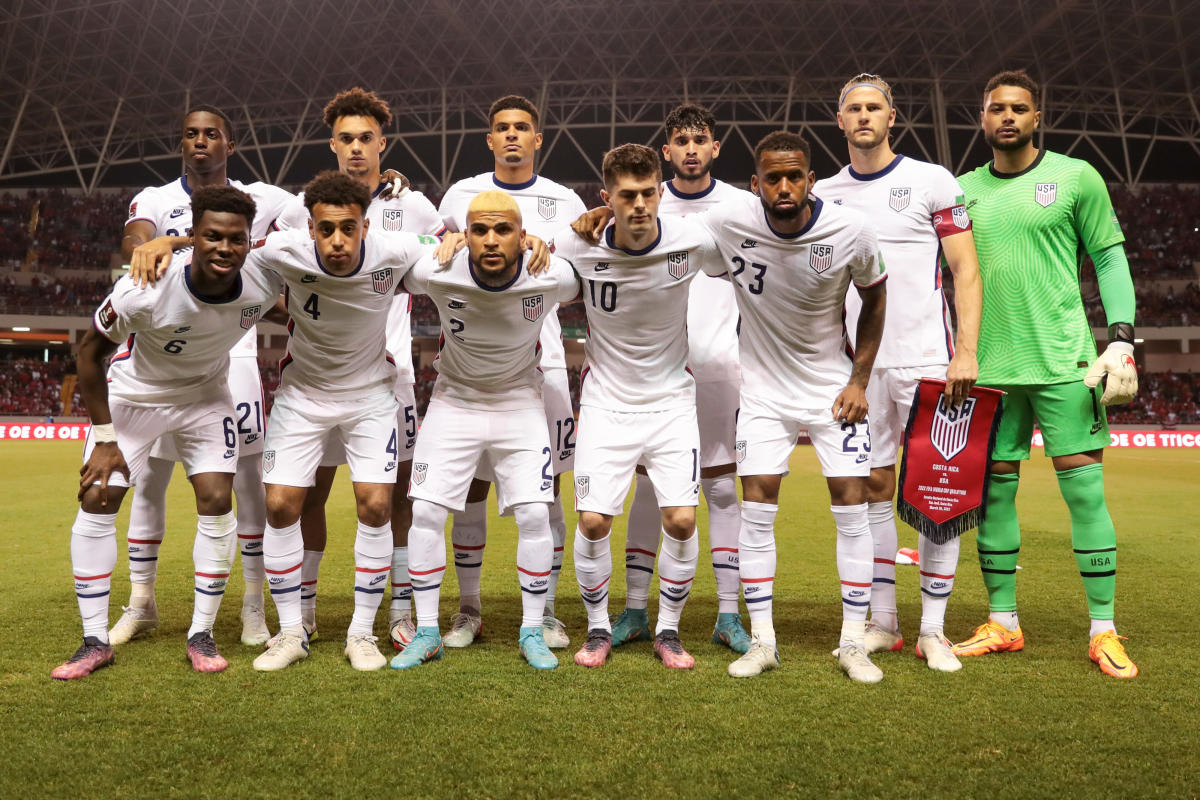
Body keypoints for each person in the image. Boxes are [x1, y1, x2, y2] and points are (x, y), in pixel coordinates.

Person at [951, 70, 1140, 678]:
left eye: (1019, 108)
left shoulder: (1075, 176)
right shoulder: (960, 192)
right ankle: (1003, 622)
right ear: (982, 118)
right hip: (991, 370)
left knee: (1085, 491)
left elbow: (1108, 255)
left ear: (1038, 117)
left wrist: (1122, 339)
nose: (1007, 116)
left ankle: (1103, 631)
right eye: (995, 107)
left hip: (1065, 363)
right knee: (994, 493)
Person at [53, 186, 284, 679]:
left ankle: (201, 633)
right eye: (212, 237)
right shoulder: (145, 288)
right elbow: (88, 355)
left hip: (205, 398)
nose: (225, 248)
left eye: (237, 239)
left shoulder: (262, 284)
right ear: (193, 237)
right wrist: (107, 438)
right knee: (98, 494)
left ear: (250, 242)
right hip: (135, 399)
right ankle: (94, 640)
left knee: (217, 498)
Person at [697, 131, 889, 682]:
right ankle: (763, 642)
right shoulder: (730, 223)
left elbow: (876, 296)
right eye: (772, 178)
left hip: (834, 390)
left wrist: (859, 379)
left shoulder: (850, 229)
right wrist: (599, 216)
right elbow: (663, 230)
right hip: (762, 394)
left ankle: (853, 642)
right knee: (755, 511)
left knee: (851, 506)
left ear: (810, 178)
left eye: (795, 176)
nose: (784, 186)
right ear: (755, 184)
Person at [814, 74, 982, 672]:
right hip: (860, 369)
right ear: (840, 121)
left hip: (929, 360)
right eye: (853, 109)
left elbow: (964, 270)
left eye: (874, 108)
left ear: (893, 117)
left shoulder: (932, 180)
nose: (863, 117)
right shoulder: (824, 194)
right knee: (874, 489)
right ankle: (883, 622)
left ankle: (932, 630)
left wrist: (966, 351)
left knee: (940, 492)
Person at [111, 105, 294, 648]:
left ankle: (253, 606)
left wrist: (390, 185)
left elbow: (328, 211)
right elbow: (136, 244)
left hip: (231, 356)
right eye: (190, 134)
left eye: (211, 134)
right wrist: (162, 241)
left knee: (247, 485)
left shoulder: (262, 199)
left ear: (228, 144)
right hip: (161, 354)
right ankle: (141, 602)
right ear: (182, 143)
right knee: (149, 482)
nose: (199, 142)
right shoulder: (156, 198)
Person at [274, 88, 445, 652]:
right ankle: (305, 610)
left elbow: (445, 260)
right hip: (319, 375)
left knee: (393, 499)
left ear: (382, 144)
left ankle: (396, 612)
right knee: (311, 492)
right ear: (332, 144)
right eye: (345, 138)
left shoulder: (414, 206)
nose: (355, 147)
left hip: (388, 375)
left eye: (365, 138)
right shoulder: (308, 207)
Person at [250, 171, 436, 672]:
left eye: (348, 229)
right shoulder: (280, 249)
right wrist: (168, 240)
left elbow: (442, 244)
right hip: (303, 394)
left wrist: (458, 239)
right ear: (310, 228)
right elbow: (219, 254)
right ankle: (291, 631)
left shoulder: (394, 248)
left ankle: (362, 633)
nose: (338, 240)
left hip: (371, 396)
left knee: (377, 505)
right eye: (327, 229)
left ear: (365, 227)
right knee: (281, 505)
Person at [392, 190, 581, 671]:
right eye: (479, 230)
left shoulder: (552, 274)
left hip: (520, 403)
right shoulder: (436, 267)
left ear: (523, 235)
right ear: (465, 234)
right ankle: (429, 630)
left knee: (538, 515)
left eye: (503, 230)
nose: (491, 240)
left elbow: (593, 258)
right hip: (454, 401)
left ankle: (533, 629)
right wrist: (435, 236)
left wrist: (551, 240)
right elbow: (380, 242)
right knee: (428, 512)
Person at [555, 143, 717, 670]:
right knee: (595, 521)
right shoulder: (577, 245)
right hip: (606, 402)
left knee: (682, 520)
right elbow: (528, 255)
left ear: (660, 193)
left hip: (671, 400)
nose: (641, 205)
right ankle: (598, 627)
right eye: (627, 196)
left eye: (649, 193)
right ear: (607, 198)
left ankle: (668, 631)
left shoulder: (692, 240)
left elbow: (756, 241)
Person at [436, 95, 587, 650]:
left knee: (545, 496)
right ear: (490, 139)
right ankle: (468, 608)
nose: (513, 136)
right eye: (503, 128)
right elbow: (434, 248)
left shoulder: (564, 200)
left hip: (541, 367)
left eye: (523, 127)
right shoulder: (460, 195)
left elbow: (580, 269)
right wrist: (443, 237)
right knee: (469, 489)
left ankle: (545, 611)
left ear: (538, 137)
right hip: (473, 369)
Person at [607, 104, 752, 654]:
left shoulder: (741, 206)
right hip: (656, 373)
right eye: (681, 140)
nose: (691, 148)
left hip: (720, 367)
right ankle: (636, 610)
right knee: (649, 487)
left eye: (701, 139)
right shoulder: (644, 200)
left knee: (719, 488)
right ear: (666, 151)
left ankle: (728, 614)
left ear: (716, 148)